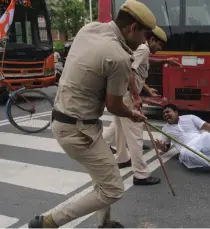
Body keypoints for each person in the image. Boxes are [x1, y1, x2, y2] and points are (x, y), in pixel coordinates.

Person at [28, 1, 156, 228]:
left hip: (67, 119)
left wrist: (133, 96)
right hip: (78, 130)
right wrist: (134, 114)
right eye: (145, 35)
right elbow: (115, 106)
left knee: (104, 177)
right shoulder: (118, 57)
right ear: (132, 28)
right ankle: (49, 222)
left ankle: (104, 223)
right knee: (114, 189)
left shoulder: (90, 29)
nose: (146, 41)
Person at [102, 26, 181, 186]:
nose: (160, 49)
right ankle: (140, 174)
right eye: (159, 45)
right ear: (152, 40)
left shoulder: (142, 49)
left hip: (121, 93)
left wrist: (165, 61)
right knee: (136, 134)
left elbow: (143, 62)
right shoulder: (144, 48)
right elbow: (129, 70)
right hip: (128, 96)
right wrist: (136, 96)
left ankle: (122, 158)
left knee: (119, 128)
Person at [154, 104, 210, 173]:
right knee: (187, 152)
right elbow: (166, 147)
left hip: (199, 141)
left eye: (168, 112)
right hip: (186, 149)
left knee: (207, 135)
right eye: (164, 114)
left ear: (176, 112)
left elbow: (205, 125)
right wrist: (162, 148)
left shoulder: (190, 117)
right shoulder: (165, 129)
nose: (165, 115)